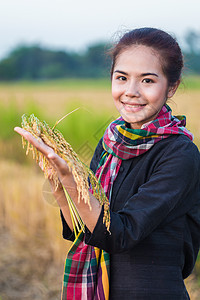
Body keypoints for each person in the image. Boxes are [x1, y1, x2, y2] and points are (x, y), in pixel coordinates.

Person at [15, 27, 200, 299]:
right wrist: (60, 185)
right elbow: (84, 229)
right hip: (102, 288)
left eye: (147, 81)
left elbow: (119, 235)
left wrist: (71, 180)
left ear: (171, 86)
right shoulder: (110, 141)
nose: (130, 91)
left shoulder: (179, 154)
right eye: (121, 78)